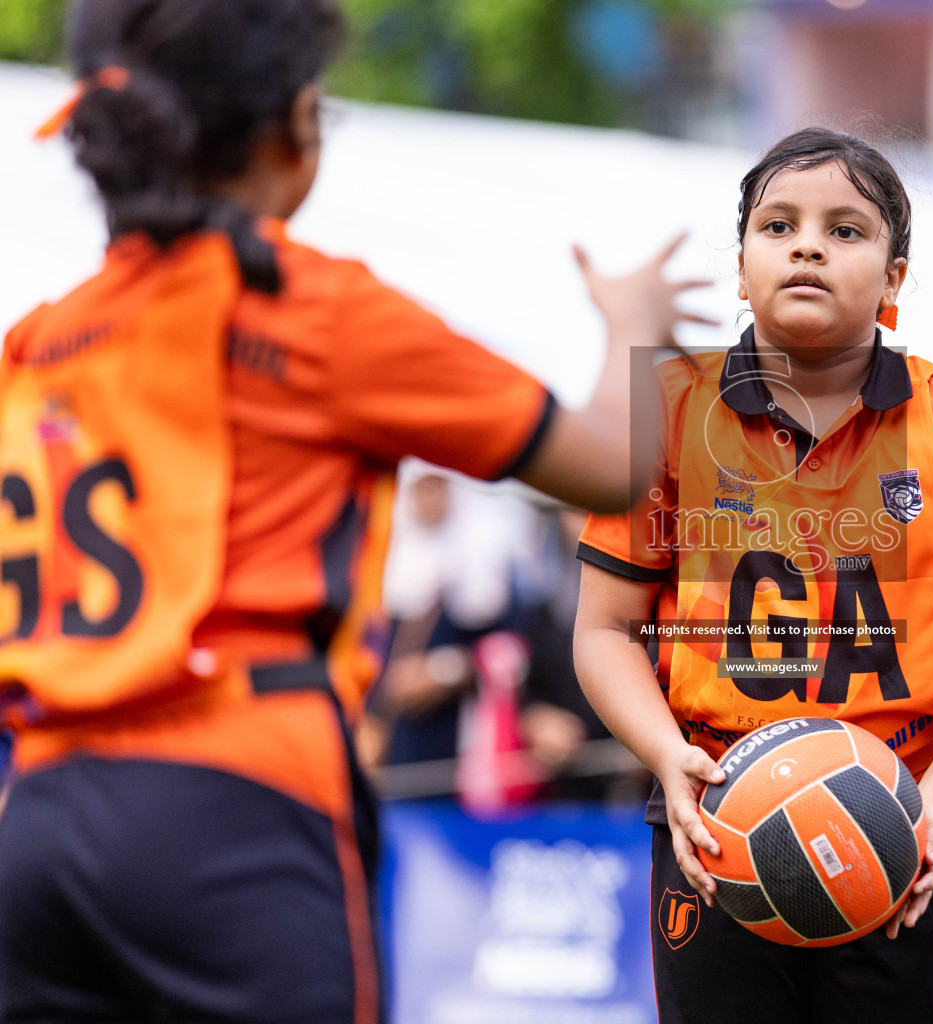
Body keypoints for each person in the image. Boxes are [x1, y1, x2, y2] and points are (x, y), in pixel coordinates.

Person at [0, 1, 706, 1021]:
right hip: (233, 808)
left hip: (39, 822)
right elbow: (613, 467)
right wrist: (635, 328)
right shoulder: (310, 310)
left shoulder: (38, 346)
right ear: (296, 125)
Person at [572, 127, 933, 1023]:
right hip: (716, 824)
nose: (807, 245)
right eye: (778, 225)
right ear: (742, 266)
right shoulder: (671, 409)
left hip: (909, 829)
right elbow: (603, 631)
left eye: (847, 230)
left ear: (895, 278)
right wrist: (666, 760)